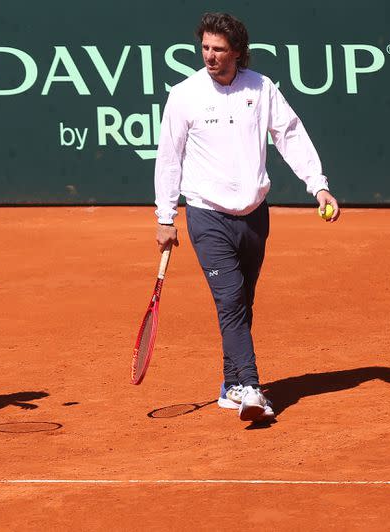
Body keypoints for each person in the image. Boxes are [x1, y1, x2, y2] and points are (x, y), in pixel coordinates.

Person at [153, 13, 340, 422]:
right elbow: (169, 158)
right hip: (207, 215)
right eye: (205, 48)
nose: (210, 56)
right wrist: (165, 216)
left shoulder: (261, 88)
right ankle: (252, 388)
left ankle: (230, 384)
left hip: (254, 216)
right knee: (230, 301)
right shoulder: (184, 94)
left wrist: (318, 184)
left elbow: (290, 134)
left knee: (243, 302)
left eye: (219, 49)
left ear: (237, 52)